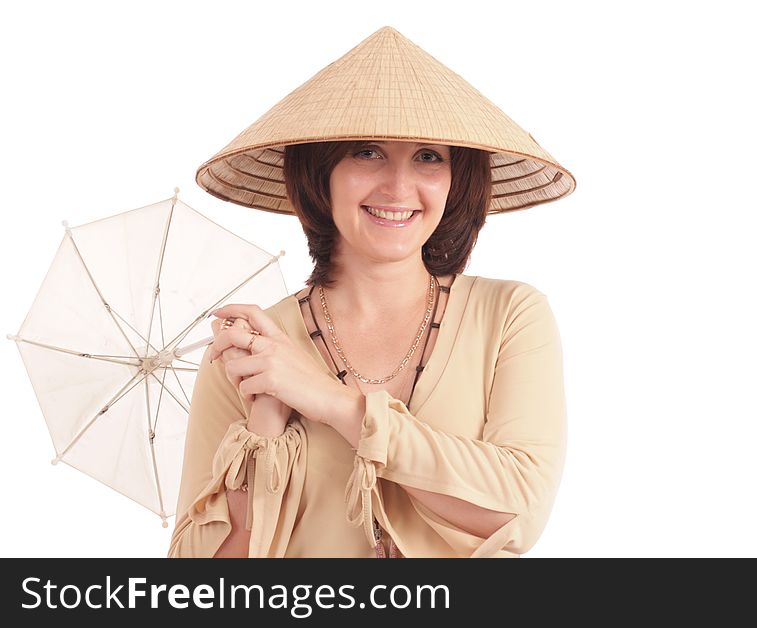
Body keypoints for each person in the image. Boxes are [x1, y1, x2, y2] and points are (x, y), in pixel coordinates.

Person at [168, 26, 575, 558]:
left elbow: (517, 509)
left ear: (456, 179)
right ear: (321, 173)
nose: (398, 188)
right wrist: (266, 426)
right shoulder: (253, 350)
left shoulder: (510, 315)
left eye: (429, 156)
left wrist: (333, 403)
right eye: (367, 152)